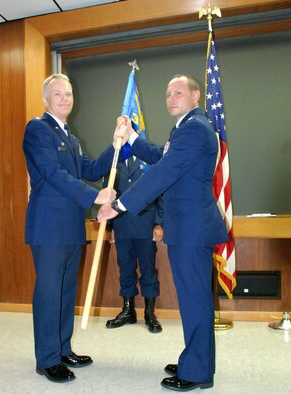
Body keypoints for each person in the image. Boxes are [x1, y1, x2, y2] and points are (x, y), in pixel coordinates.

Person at [97, 74, 229, 392]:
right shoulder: (184, 128)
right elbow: (160, 157)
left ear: (196, 95)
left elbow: (163, 173)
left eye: (178, 92)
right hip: (187, 227)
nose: (171, 98)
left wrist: (121, 205)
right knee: (194, 298)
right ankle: (198, 360)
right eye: (168, 93)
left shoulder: (195, 129)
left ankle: (197, 372)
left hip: (191, 229)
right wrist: (131, 137)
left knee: (194, 300)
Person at [22, 73, 128, 383]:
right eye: (58, 94)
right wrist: (95, 196)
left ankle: (63, 348)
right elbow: (53, 174)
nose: (65, 98)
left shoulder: (71, 137)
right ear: (45, 99)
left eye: (68, 94)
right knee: (49, 292)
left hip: (70, 227)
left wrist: (114, 144)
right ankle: (47, 359)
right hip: (48, 226)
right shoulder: (38, 129)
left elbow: (92, 169)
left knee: (66, 292)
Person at [104, 156, 164, 333]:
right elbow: (108, 195)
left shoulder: (150, 161)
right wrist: (110, 226)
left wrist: (159, 223)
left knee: (148, 268)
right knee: (125, 267)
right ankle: (128, 310)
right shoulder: (114, 162)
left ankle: (149, 313)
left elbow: (161, 194)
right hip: (121, 224)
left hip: (145, 224)